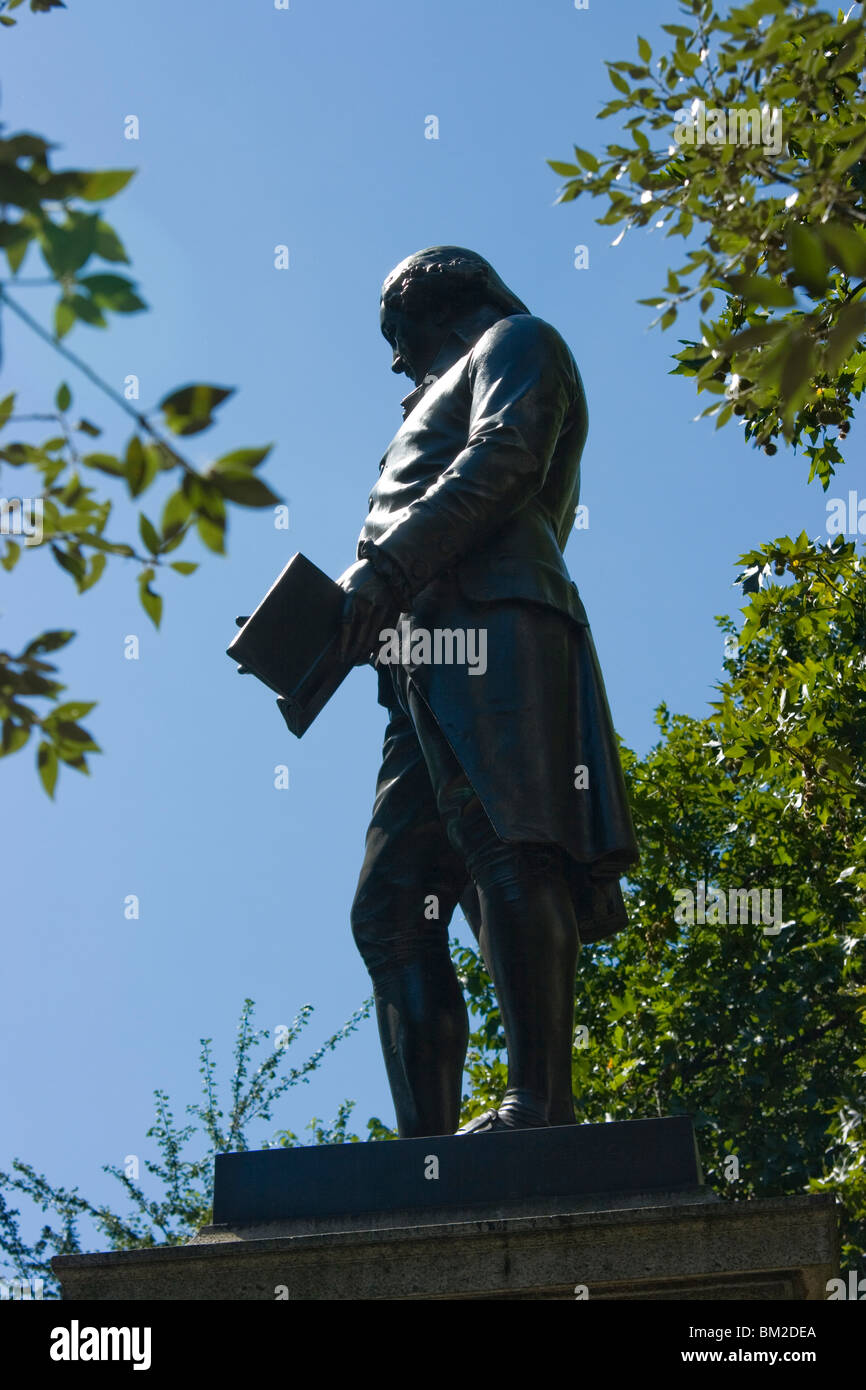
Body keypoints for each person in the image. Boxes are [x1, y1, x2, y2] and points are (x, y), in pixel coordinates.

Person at [336, 247, 637, 1138]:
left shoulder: (519, 341)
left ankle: (539, 1110)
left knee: (512, 844)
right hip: (415, 656)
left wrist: (386, 567)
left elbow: (505, 456)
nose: (395, 359)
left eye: (399, 332)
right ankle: (425, 1162)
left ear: (444, 302)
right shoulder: (432, 390)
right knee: (390, 907)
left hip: (500, 615)